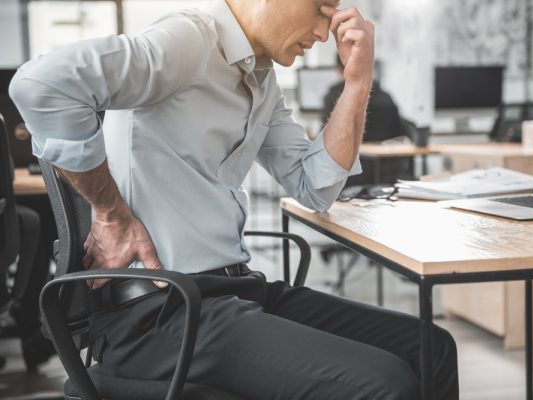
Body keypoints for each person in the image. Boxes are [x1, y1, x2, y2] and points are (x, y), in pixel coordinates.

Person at [10, 0, 458, 398]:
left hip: (231, 290)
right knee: (386, 383)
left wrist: (357, 83)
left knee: (433, 348)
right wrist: (110, 213)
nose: (325, 33)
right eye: (320, 8)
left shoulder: (261, 80)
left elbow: (315, 185)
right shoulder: (187, 41)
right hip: (160, 313)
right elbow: (41, 84)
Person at [322, 56, 415, 184]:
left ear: (339, 70)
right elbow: (403, 132)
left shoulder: (334, 95)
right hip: (388, 177)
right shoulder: (385, 95)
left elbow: (325, 139)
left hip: (350, 177)